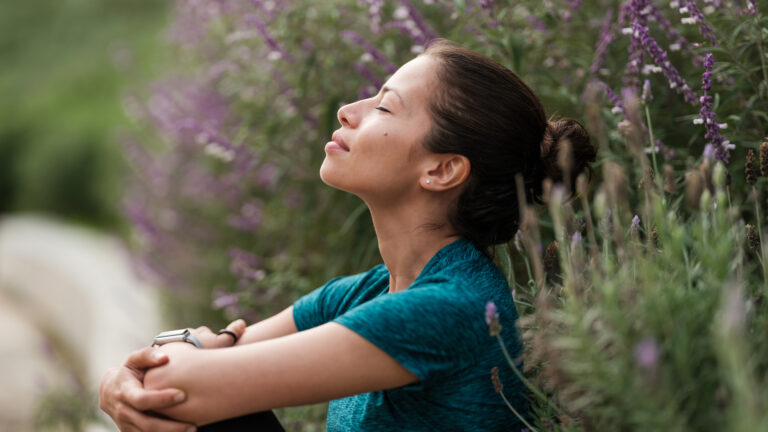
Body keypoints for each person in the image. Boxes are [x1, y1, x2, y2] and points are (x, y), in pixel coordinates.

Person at [99, 39, 596, 431]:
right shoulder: (368, 291)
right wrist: (118, 381)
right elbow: (176, 377)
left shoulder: (450, 307)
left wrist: (175, 355)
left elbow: (177, 382)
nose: (348, 110)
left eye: (384, 107)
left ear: (442, 170)